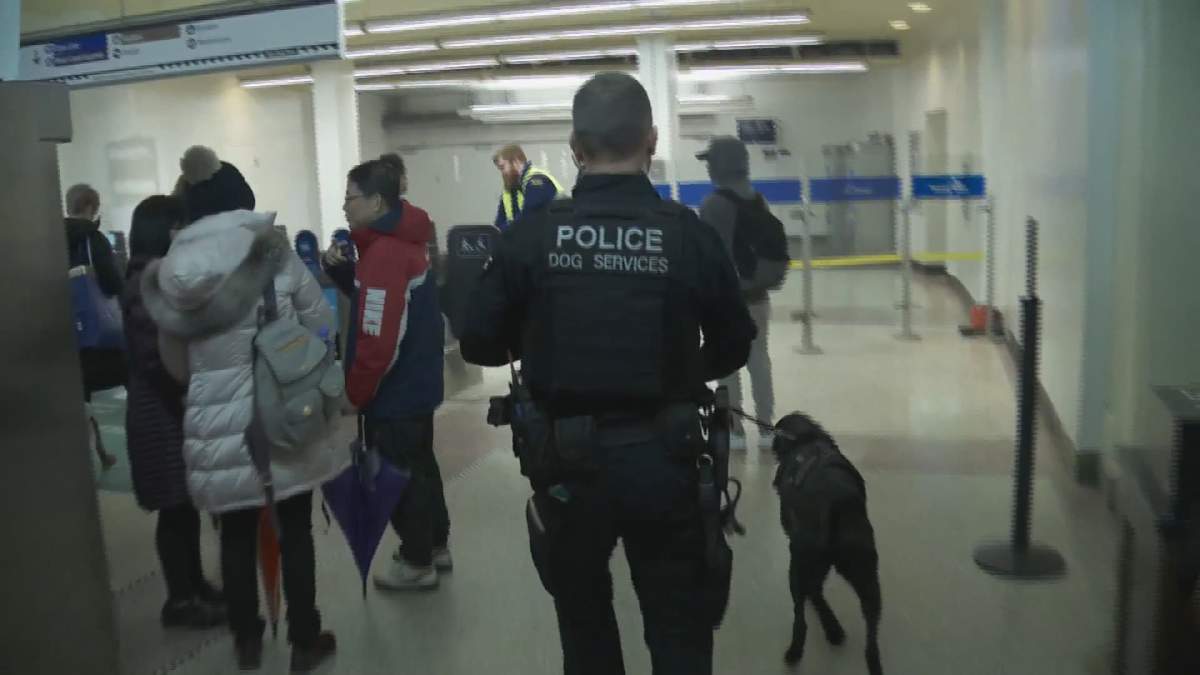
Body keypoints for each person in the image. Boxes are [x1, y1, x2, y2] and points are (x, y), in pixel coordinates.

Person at [460, 72, 757, 675]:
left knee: (584, 625)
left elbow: (479, 342)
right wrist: (677, 372)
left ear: (574, 148)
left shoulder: (532, 237)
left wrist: (544, 337)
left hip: (567, 465)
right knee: (678, 630)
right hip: (667, 463)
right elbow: (734, 345)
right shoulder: (688, 236)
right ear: (650, 141)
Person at [142, 149, 342, 672]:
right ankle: (304, 639)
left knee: (235, 532)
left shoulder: (175, 266)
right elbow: (320, 318)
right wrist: (305, 360)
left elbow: (173, 356)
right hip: (283, 406)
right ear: (242, 199)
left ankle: (247, 641)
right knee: (294, 528)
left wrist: (208, 381)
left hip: (213, 413)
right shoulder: (271, 247)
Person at [322, 159, 450, 591]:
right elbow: (383, 306)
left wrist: (356, 394)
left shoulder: (385, 254)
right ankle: (434, 545)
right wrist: (344, 273)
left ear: (377, 201)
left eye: (350, 198)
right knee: (421, 466)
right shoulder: (401, 242)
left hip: (395, 392)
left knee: (399, 474)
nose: (344, 206)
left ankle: (416, 561)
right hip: (418, 382)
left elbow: (378, 339)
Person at [120, 194, 224, 629]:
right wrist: (183, 394)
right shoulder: (148, 280)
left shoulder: (157, 275)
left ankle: (193, 583)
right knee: (173, 505)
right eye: (179, 225)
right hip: (159, 406)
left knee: (184, 505)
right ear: (161, 230)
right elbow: (155, 355)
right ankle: (179, 601)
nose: (185, 233)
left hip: (170, 400)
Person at [697, 136, 787, 451]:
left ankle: (734, 430)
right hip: (759, 297)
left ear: (720, 166)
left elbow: (708, 256)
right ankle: (765, 427)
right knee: (759, 360)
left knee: (728, 365)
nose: (707, 168)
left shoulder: (714, 204)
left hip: (727, 301)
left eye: (710, 162)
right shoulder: (756, 199)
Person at [65, 183, 125, 469]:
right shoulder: (94, 239)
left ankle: (98, 454)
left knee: (78, 394)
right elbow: (113, 285)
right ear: (92, 207)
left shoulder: (47, 238)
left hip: (63, 333)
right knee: (132, 371)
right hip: (96, 333)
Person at [492, 144, 564, 231]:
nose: (502, 173)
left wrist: (507, 230)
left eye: (503, 167)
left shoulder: (537, 181)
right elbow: (498, 227)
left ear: (516, 162)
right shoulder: (510, 190)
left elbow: (529, 217)